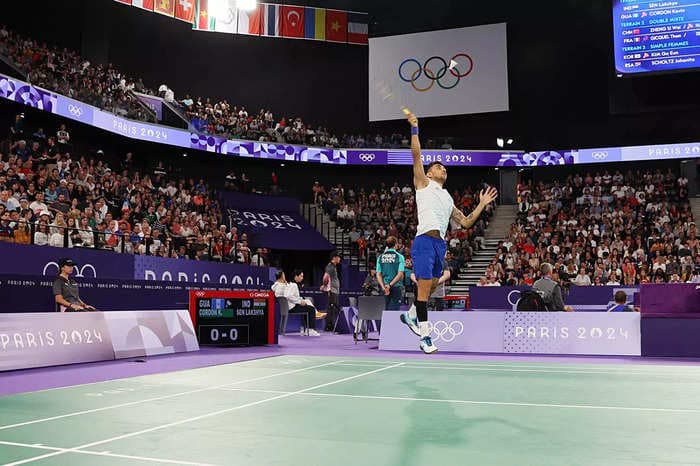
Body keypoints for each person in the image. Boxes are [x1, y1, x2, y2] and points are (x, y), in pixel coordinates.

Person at [400, 112, 498, 353]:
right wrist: (414, 129)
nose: (441, 168)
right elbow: (416, 154)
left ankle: (412, 315)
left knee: (432, 284)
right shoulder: (422, 183)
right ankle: (425, 337)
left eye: (443, 167)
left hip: (439, 244)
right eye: (436, 166)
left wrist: (481, 206)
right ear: (429, 173)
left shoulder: (447, 197)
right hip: (424, 240)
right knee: (424, 288)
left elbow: (464, 223)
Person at [286, 270, 322, 336]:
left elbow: (293, 296)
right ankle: (311, 330)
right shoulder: (293, 285)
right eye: (301, 276)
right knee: (311, 309)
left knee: (307, 303)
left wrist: (301, 300)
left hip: (290, 306)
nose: (302, 278)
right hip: (292, 307)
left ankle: (306, 330)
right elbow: (288, 296)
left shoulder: (290, 284)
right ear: (296, 276)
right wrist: (299, 301)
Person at [376, 236, 406, 310]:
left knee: (384, 311)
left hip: (384, 288)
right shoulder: (400, 257)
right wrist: (390, 285)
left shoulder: (380, 257)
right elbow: (400, 274)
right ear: (396, 244)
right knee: (394, 313)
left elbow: (378, 274)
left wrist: (384, 287)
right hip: (396, 287)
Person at [321, 252, 341, 332]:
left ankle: (329, 326)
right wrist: (324, 285)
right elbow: (325, 277)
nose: (339, 259)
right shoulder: (330, 267)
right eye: (338, 257)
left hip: (334, 290)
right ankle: (329, 326)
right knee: (332, 308)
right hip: (332, 290)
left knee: (332, 308)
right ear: (334, 258)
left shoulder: (333, 267)